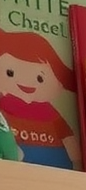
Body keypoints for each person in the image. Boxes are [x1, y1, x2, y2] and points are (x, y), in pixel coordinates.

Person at [0, 28, 78, 167]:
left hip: (58, 169)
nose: (26, 82)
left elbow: (66, 135)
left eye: (40, 78)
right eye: (10, 72)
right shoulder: (3, 106)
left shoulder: (49, 112)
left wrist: (76, 156)